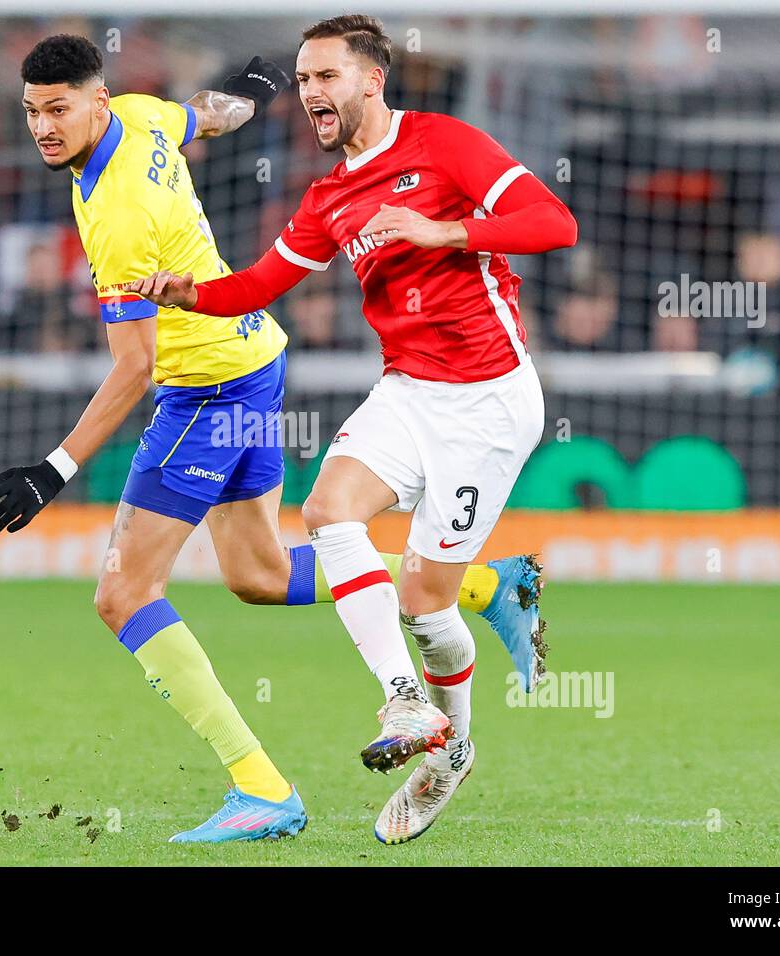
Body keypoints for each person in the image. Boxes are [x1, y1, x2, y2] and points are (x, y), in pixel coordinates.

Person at [127, 15, 576, 844]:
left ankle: (453, 751)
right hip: (408, 391)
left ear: (372, 79)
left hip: (488, 401)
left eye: (325, 77)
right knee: (328, 511)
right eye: (302, 80)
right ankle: (404, 701)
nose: (310, 94)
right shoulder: (329, 196)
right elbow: (260, 282)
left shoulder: (444, 144)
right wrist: (188, 291)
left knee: (427, 604)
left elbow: (555, 224)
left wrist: (446, 229)